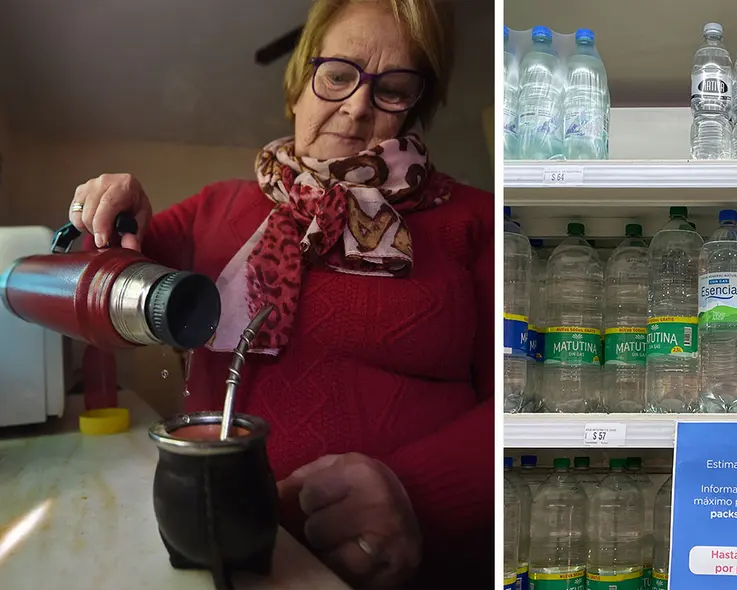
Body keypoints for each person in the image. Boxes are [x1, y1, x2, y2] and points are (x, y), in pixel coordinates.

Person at [67, 1, 493, 588]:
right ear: (298, 88)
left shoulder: (477, 220)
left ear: (413, 107)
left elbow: (534, 407)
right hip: (221, 554)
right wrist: (108, 219)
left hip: (417, 571)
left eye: (392, 88)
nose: (358, 103)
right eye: (338, 75)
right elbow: (86, 295)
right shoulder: (216, 208)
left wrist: (419, 496)